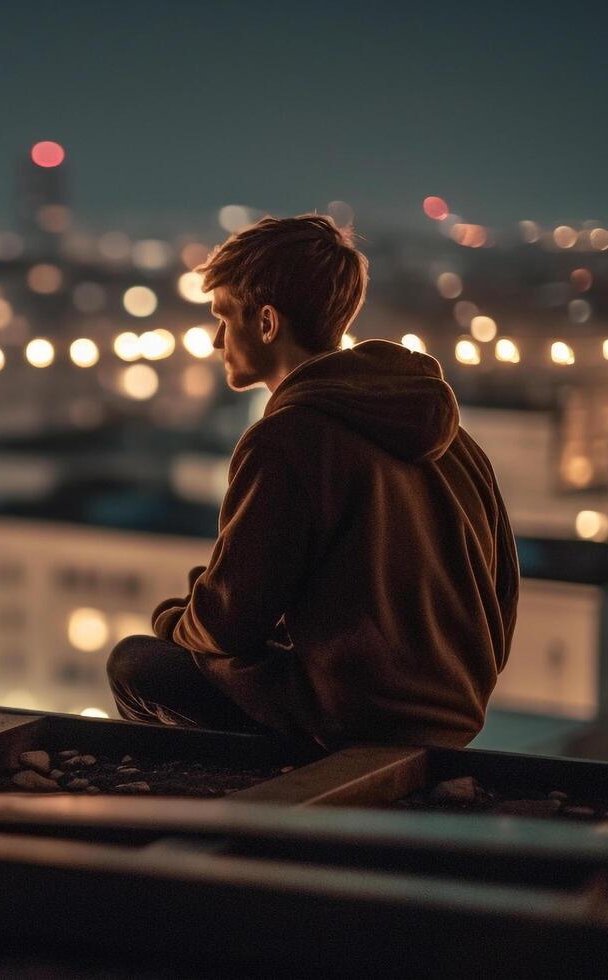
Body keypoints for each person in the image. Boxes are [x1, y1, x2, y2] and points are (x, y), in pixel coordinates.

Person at [107, 215, 518, 752]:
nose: (214, 340)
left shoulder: (287, 439)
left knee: (136, 665)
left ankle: (230, 821)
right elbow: (502, 594)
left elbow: (228, 625)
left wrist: (174, 621)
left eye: (224, 318)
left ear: (268, 323)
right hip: (453, 721)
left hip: (351, 721)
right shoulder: (457, 442)